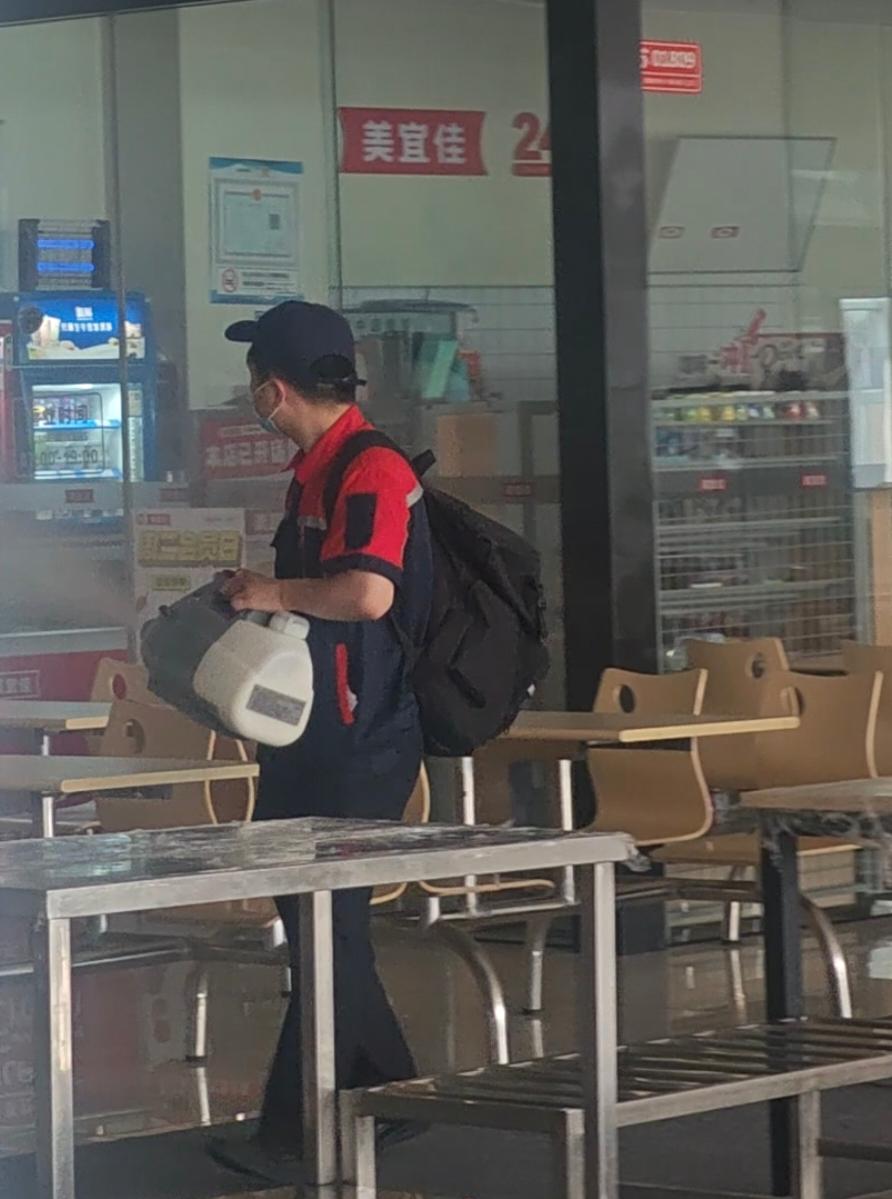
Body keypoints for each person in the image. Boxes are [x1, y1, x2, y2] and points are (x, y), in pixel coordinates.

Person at [210, 300, 432, 1183]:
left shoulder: (368, 467)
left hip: (359, 736)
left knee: (324, 926)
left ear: (275, 386)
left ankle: (295, 1131)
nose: (251, 395)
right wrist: (260, 591)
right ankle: (386, 1092)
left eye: (254, 379)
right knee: (316, 922)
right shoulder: (317, 469)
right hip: (313, 730)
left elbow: (367, 594)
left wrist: (273, 591)